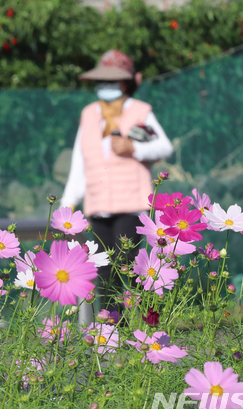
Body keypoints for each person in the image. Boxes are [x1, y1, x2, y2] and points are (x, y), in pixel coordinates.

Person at [59, 49, 173, 314]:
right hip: (98, 204)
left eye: (113, 81)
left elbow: (164, 146)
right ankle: (111, 330)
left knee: (129, 265)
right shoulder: (89, 114)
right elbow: (80, 161)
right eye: (103, 81)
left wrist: (134, 149)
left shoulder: (140, 111)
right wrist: (68, 203)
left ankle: (140, 325)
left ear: (126, 83)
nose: (107, 87)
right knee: (103, 270)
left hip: (131, 203)